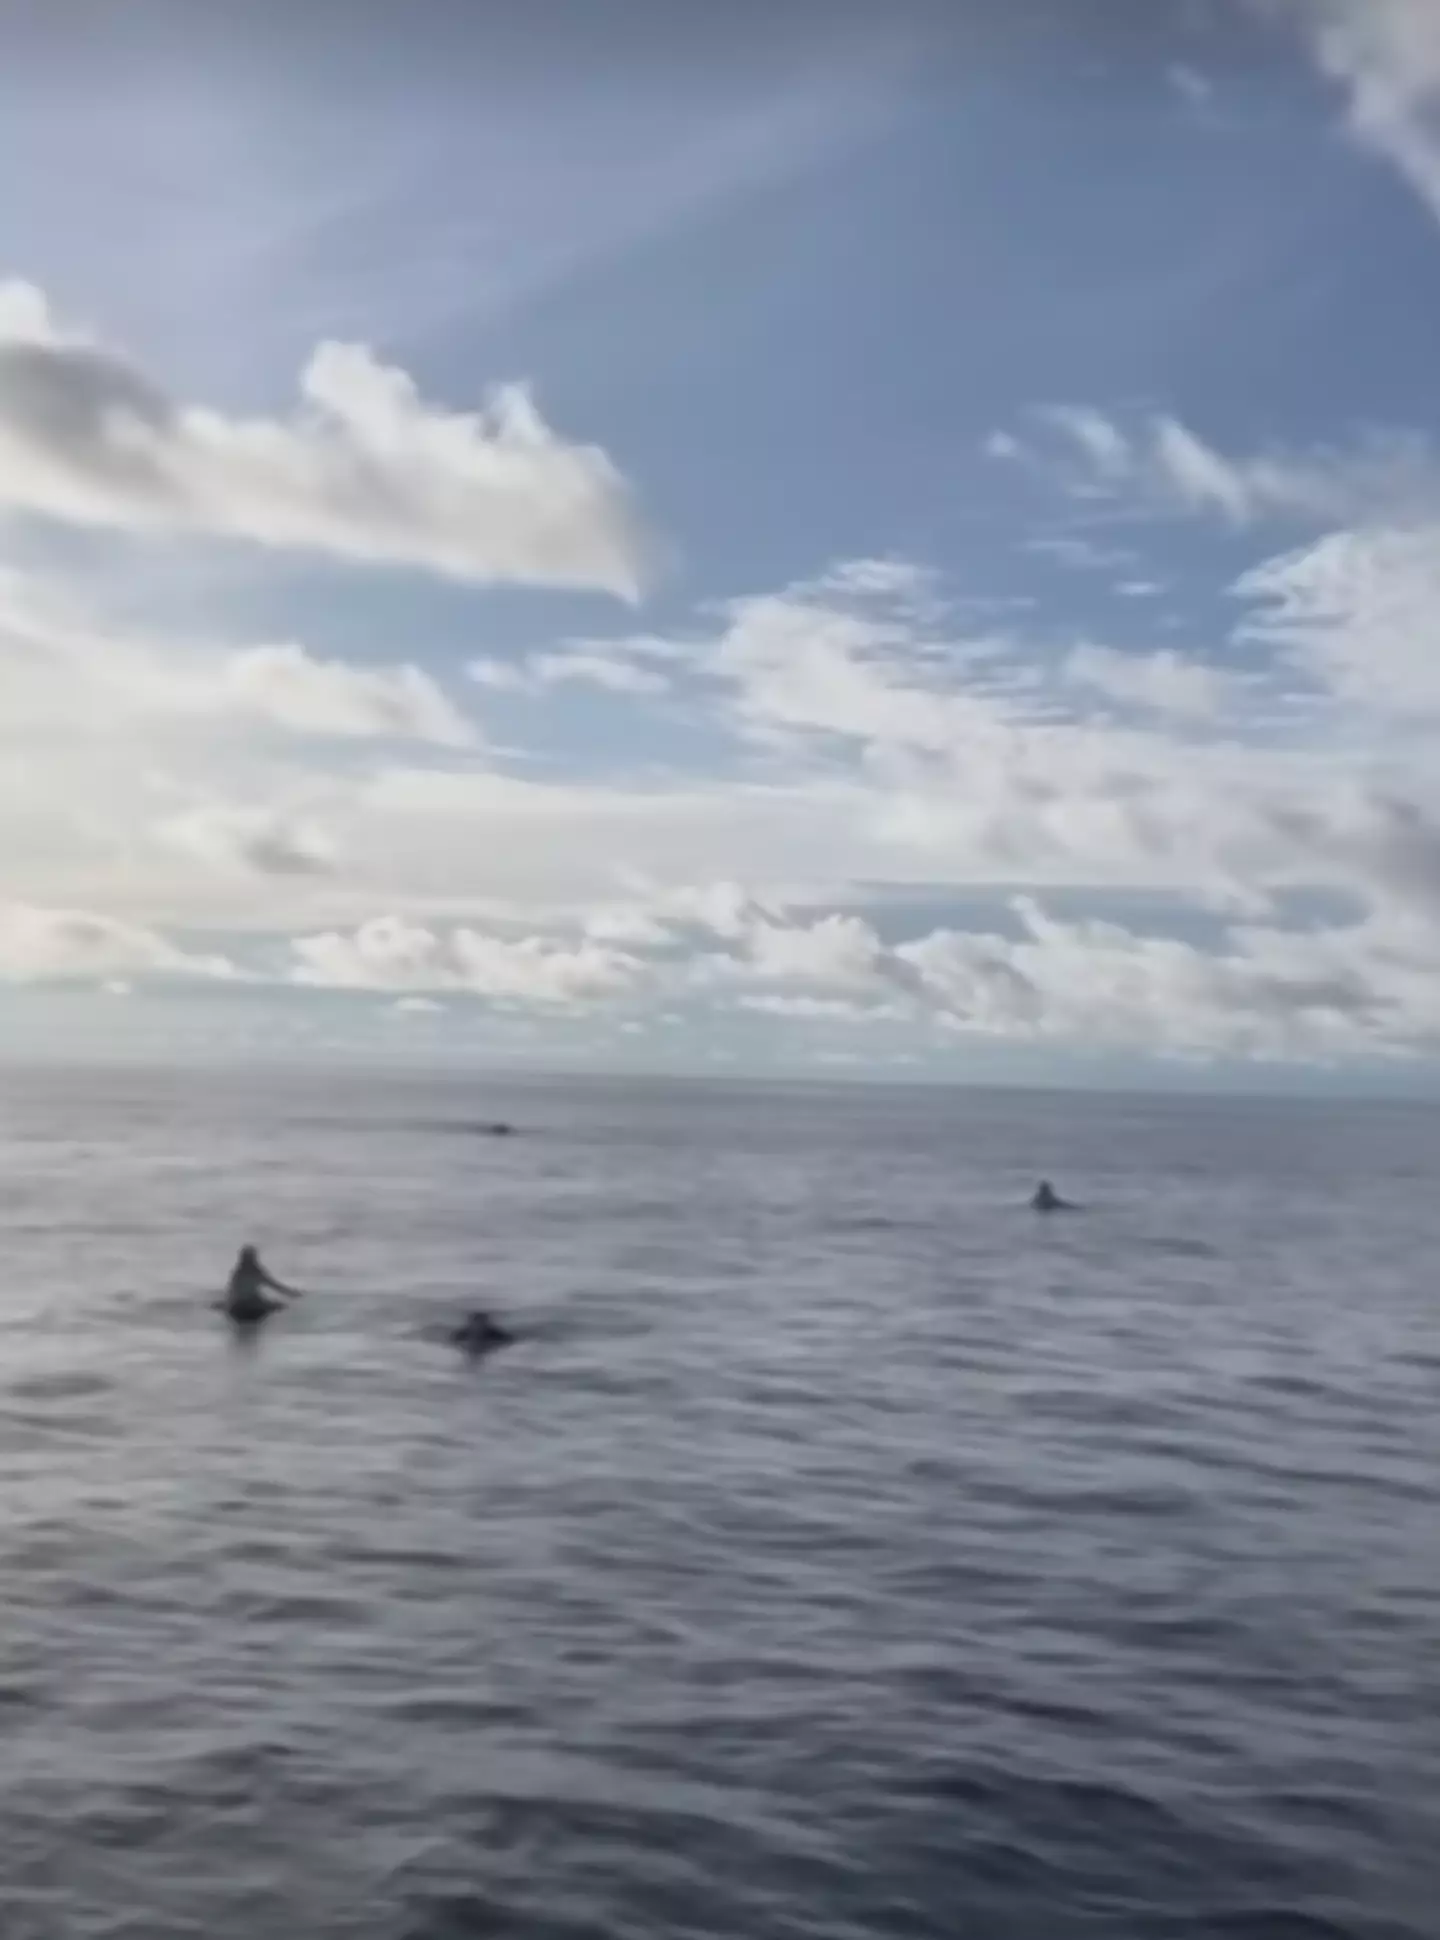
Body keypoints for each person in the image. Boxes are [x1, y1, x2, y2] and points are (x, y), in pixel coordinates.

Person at [221, 1244, 304, 1322]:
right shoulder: (256, 1272)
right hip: (253, 1303)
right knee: (281, 1306)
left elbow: (231, 1291)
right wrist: (292, 1294)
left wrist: (227, 1304)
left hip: (239, 1305)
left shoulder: (238, 1273)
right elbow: (274, 1285)